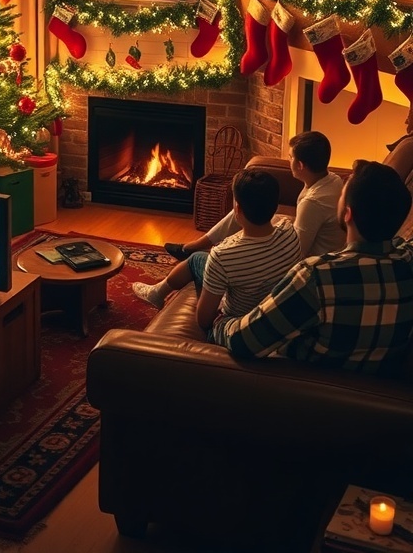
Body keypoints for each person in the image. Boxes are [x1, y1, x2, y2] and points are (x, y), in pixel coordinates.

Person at [215, 160, 413, 375]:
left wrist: (221, 323)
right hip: (382, 388)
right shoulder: (407, 259)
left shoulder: (317, 277)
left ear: (348, 214)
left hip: (302, 390)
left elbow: (243, 342)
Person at [132, 168, 301, 333]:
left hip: (235, 323)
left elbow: (203, 321)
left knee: (197, 261)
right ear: (275, 205)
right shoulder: (289, 231)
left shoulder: (223, 255)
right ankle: (156, 293)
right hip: (272, 312)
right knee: (197, 258)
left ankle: (156, 293)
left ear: (237, 209)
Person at [164, 130, 344, 261]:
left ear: (301, 165)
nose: (288, 161)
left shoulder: (313, 202)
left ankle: (222, 255)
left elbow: (297, 251)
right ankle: (195, 246)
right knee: (245, 209)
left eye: (290, 157)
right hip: (309, 240)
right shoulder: (332, 179)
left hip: (312, 262)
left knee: (253, 216)